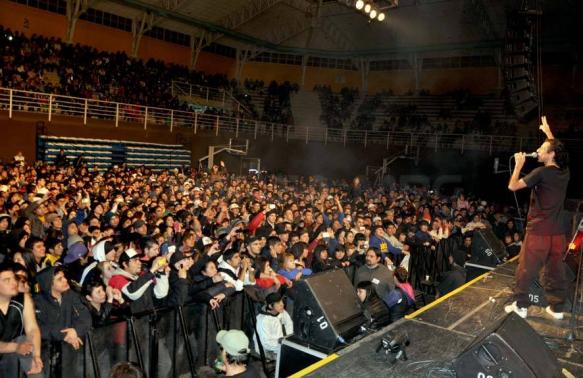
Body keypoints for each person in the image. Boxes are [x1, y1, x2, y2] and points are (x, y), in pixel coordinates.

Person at [505, 116, 570, 319]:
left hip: (539, 232)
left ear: (550, 155)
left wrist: (518, 164)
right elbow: (556, 148)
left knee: (526, 269)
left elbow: (513, 186)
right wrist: (548, 133)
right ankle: (557, 307)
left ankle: (520, 306)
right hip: (558, 233)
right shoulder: (564, 172)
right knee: (554, 270)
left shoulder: (540, 172)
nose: (538, 150)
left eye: (542, 148)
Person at [0, 262, 43, 377]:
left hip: (14, 354)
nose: (14, 283)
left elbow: (32, 329)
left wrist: (36, 355)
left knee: (24, 341)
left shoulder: (23, 298)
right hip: (9, 349)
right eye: (6, 280)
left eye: (14, 278)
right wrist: (15, 347)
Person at [254, 292, 293, 361]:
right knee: (290, 358)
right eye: (278, 303)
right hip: (268, 350)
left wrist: (289, 339)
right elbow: (266, 343)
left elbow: (289, 324)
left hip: (281, 342)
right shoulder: (263, 321)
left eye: (281, 301)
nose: (282, 304)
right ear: (270, 306)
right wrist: (284, 346)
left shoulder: (281, 311)